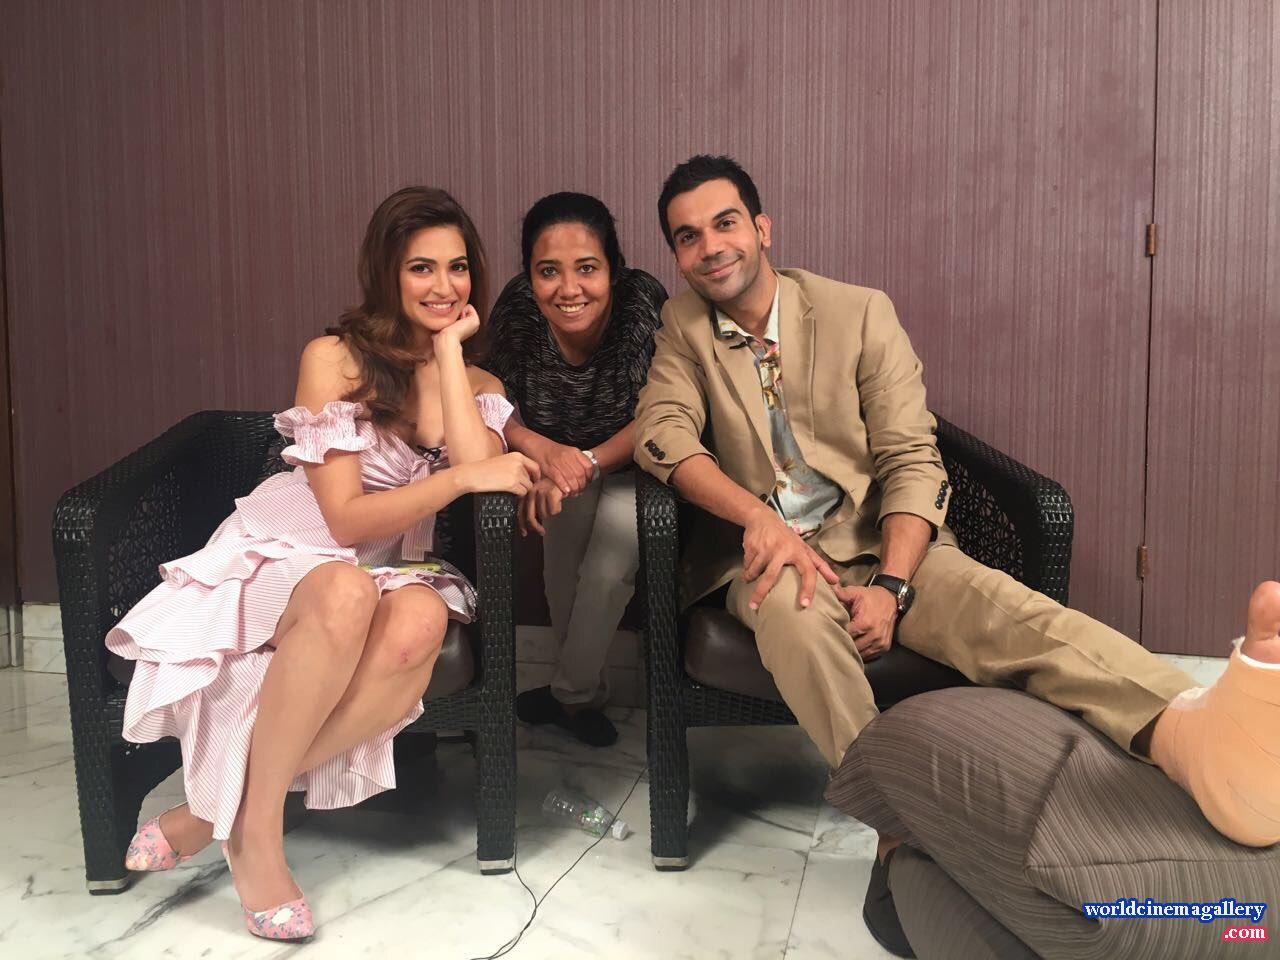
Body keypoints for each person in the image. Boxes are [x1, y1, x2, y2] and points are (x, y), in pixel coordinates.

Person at [634, 153, 1279, 871]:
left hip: (885, 540)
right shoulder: (681, 326)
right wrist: (759, 519)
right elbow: (663, 432)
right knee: (797, 615)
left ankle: (1194, 734)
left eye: (725, 223)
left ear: (762, 228)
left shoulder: (857, 312)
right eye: (688, 236)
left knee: (1014, 615)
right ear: (677, 257)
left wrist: (892, 585)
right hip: (768, 558)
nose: (710, 246)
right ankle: (902, 826)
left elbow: (912, 456)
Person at [106, 186, 539, 941]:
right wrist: (458, 480)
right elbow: (344, 518)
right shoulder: (332, 359)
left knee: (421, 622)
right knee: (344, 593)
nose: (444, 286)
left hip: (391, 559)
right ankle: (258, 838)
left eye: (458, 267)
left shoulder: (478, 383)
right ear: (386, 273)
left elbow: (479, 465)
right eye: (422, 268)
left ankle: (212, 813)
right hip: (296, 545)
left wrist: (447, 353)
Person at [484, 192, 667, 746]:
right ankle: (583, 694)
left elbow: (660, 413)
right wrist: (543, 455)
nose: (569, 289)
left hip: (639, 464)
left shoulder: (641, 305)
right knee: (561, 570)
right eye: (549, 271)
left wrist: (585, 461)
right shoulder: (518, 310)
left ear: (614, 269)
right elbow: (492, 401)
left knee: (608, 563)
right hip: (558, 467)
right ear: (529, 275)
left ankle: (569, 693)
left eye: (587, 268)